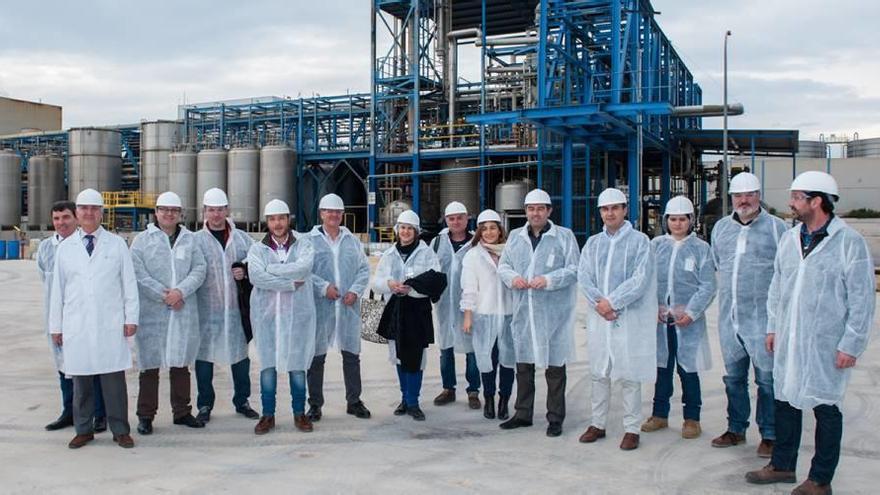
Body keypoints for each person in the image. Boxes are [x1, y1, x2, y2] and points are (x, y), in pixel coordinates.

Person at [746, 171, 875, 495]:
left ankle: (820, 479)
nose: (790, 203)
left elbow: (862, 298)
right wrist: (773, 326)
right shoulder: (791, 239)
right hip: (789, 338)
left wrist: (851, 344)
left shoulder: (849, 243)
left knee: (826, 408)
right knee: (785, 400)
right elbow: (778, 286)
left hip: (826, 343)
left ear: (816, 201)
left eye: (796, 197)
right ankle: (782, 465)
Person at [49, 189, 139, 449]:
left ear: (102, 212)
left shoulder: (117, 244)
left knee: (113, 381)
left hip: (110, 323)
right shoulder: (66, 248)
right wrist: (56, 326)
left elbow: (129, 284)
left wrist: (131, 317)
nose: (89, 213)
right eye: (84, 208)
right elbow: (58, 291)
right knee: (81, 382)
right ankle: (84, 429)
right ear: (77, 213)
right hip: (76, 324)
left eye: (94, 208)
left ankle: (120, 429)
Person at [710, 172, 787, 458]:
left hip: (763, 320)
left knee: (767, 380)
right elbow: (719, 264)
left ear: (758, 195)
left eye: (750, 194)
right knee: (733, 379)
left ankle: (770, 434)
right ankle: (736, 429)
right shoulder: (720, 229)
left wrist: (777, 322)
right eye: (738, 196)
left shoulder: (777, 229)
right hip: (730, 319)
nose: (744, 200)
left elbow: (785, 273)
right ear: (731, 198)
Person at [577, 188, 657, 450]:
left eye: (615, 208)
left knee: (629, 373)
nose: (609, 213)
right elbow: (584, 276)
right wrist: (600, 304)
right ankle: (597, 424)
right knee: (599, 372)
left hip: (627, 317)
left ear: (625, 209)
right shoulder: (593, 243)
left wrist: (612, 302)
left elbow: (640, 279)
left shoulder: (640, 241)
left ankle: (631, 428)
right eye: (605, 209)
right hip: (601, 318)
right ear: (600, 212)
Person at [497, 189, 579, 438]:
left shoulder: (564, 236)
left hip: (554, 314)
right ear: (525, 211)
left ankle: (555, 418)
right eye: (531, 209)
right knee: (524, 365)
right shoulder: (514, 236)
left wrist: (549, 279)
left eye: (541, 208)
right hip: (525, 312)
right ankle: (523, 413)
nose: (536, 213)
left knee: (555, 367)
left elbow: (575, 269)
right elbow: (504, 266)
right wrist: (514, 279)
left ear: (549, 211)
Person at [130, 192, 207, 434]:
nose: (169, 214)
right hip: (153, 312)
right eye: (164, 209)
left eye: (174, 210)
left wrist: (181, 292)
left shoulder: (190, 239)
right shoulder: (142, 240)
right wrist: (164, 295)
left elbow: (200, 268)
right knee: (150, 366)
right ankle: (145, 415)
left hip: (182, 310)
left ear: (180, 214)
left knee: (181, 363)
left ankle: (182, 412)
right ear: (156, 212)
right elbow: (138, 273)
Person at [641, 196, 716, 440]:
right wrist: (653, 308)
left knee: (688, 369)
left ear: (691, 221)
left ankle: (692, 419)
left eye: (682, 219)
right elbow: (646, 280)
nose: (677, 223)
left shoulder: (701, 249)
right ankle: (659, 414)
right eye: (673, 219)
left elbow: (708, 286)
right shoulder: (656, 246)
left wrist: (692, 312)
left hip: (688, 323)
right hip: (661, 320)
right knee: (662, 367)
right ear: (666, 221)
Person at [248, 199, 317, 434]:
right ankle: (268, 415)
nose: (277, 223)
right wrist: (288, 284)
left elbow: (304, 269)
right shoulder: (257, 249)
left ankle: (300, 413)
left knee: (297, 367)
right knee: (268, 367)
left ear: (289, 219)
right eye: (272, 219)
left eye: (281, 218)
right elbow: (256, 277)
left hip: (297, 317)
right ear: (267, 222)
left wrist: (271, 269)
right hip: (267, 318)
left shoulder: (304, 244)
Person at [37, 200, 107, 433]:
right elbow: (47, 286)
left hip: (86, 316)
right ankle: (70, 411)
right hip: (59, 317)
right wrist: (55, 322)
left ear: (76, 218)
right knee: (64, 366)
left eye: (65, 218)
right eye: (56, 219)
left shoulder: (88, 244)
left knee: (91, 365)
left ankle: (99, 414)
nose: (61, 223)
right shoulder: (46, 248)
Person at [372, 210, 445, 421]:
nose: (405, 232)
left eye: (409, 228)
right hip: (395, 311)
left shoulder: (427, 253)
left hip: (417, 312)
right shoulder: (389, 254)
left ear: (416, 231)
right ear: (397, 230)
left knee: (415, 358)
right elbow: (376, 283)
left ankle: (413, 401)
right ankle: (405, 398)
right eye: (402, 228)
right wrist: (389, 284)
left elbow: (436, 281)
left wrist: (412, 289)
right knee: (399, 357)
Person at [193, 188, 258, 423]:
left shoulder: (240, 238)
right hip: (206, 311)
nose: (216, 214)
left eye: (220, 209)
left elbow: (257, 256)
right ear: (204, 212)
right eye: (211, 210)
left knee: (240, 356)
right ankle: (204, 405)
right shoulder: (196, 240)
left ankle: (242, 401)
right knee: (204, 359)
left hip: (235, 311)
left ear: (227, 210)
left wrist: (245, 268)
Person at [306, 194, 372, 421]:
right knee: (316, 357)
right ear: (321, 213)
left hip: (347, 307)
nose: (333, 215)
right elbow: (304, 271)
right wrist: (323, 288)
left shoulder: (352, 241)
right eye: (329, 211)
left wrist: (355, 290)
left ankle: (354, 401)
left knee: (351, 354)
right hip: (321, 307)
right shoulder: (309, 240)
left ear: (342, 215)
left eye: (337, 212)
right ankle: (315, 404)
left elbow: (364, 269)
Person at [460, 209, 516, 420]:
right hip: (484, 314)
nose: (489, 232)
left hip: (509, 314)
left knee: (508, 361)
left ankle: (504, 400)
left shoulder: (510, 251)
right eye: (485, 229)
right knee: (487, 360)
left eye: (493, 228)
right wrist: (468, 314)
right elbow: (469, 287)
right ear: (479, 232)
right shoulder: (473, 255)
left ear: (500, 230)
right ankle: (489, 399)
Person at [431, 202, 482, 409]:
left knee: (472, 349)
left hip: (470, 305)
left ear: (467, 218)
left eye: (460, 217)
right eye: (451, 218)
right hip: (444, 304)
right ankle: (448, 388)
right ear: (446, 220)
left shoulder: (476, 242)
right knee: (446, 347)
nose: (456, 222)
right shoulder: (436, 242)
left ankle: (473, 391)